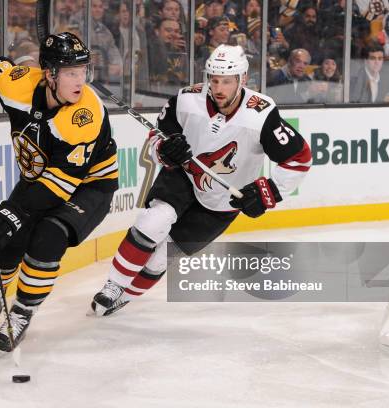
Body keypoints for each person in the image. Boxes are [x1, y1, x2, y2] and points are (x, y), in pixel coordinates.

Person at [90, 45, 311, 316]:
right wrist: (164, 150)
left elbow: (299, 158)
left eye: (227, 81)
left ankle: (126, 295)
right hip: (183, 175)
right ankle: (113, 286)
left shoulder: (261, 114)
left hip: (223, 200)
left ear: (242, 79)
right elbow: (156, 139)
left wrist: (267, 192)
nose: (218, 88)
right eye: (214, 80)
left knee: (162, 258)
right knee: (154, 221)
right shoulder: (186, 99)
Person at [0, 32, 118, 353]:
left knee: (47, 237)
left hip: (88, 185)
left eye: (83, 72)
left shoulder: (84, 114)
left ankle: (22, 313)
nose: (80, 82)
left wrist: (13, 213)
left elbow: (62, 183)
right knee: (7, 239)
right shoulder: (19, 82)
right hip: (40, 178)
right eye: (71, 73)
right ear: (49, 73)